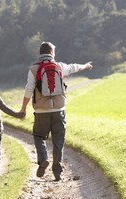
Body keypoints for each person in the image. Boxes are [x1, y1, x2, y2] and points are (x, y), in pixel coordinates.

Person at [20, 42, 93, 181]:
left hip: (41, 110)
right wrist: (86, 66)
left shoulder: (33, 69)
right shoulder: (59, 66)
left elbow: (28, 89)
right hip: (59, 109)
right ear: (51, 52)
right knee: (58, 140)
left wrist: (23, 108)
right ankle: (57, 171)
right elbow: (73, 67)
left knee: (39, 136)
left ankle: (43, 160)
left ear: (40, 53)